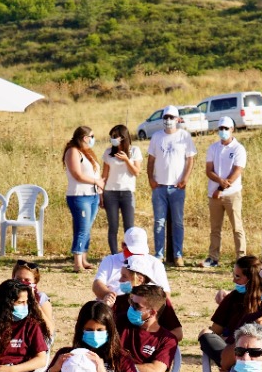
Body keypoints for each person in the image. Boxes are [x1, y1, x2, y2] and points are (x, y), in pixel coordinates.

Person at [200, 255, 262, 372]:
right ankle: (231, 368)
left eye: (238, 276)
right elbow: (215, 331)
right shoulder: (232, 297)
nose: (234, 280)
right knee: (206, 334)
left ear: (251, 279)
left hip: (258, 354)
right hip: (232, 350)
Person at [146, 106, 195, 266]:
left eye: (171, 117)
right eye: (166, 117)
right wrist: (151, 179)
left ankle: (178, 255)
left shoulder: (184, 136)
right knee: (159, 222)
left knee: (178, 222)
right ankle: (159, 254)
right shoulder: (156, 137)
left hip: (177, 187)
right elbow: (151, 159)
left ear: (178, 119)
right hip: (159, 186)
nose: (168, 120)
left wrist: (185, 179)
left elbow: (190, 159)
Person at [202, 117, 246, 270]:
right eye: (221, 128)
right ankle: (213, 257)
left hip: (231, 193)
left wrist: (221, 188)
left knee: (237, 227)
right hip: (214, 194)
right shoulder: (213, 148)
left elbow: (236, 172)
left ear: (232, 129)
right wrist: (220, 182)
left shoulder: (238, 149)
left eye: (226, 128)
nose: (223, 131)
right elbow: (209, 170)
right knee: (215, 228)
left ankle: (241, 258)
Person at [118, 281, 178, 372]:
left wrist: (117, 366)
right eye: (131, 302)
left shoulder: (167, 339)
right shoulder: (119, 321)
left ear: (152, 312)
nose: (131, 307)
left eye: (137, 306)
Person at [64, 127, 102, 272]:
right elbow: (77, 175)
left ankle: (84, 258)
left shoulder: (87, 153)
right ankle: (77, 262)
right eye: (92, 136)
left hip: (92, 195)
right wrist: (96, 182)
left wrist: (99, 188)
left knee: (87, 229)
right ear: (85, 138)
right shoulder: (73, 151)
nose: (93, 139)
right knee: (82, 229)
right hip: (79, 196)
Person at [101, 125, 142, 256]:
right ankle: (114, 255)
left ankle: (128, 254)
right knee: (113, 226)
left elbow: (136, 172)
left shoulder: (135, 151)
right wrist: (100, 194)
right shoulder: (108, 153)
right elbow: (104, 175)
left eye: (115, 136)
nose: (112, 139)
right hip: (110, 193)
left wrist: (126, 160)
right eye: (111, 136)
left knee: (129, 227)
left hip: (127, 193)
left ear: (123, 137)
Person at [93, 225, 147, 304]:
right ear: (123, 245)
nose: (135, 255)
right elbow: (97, 285)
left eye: (139, 252)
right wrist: (108, 295)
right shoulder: (110, 261)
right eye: (132, 251)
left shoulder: (152, 263)